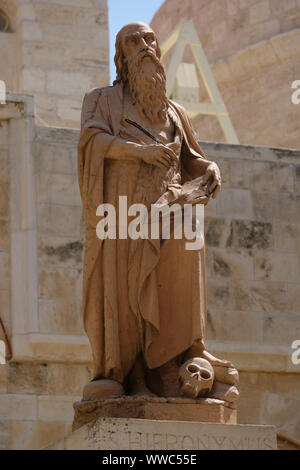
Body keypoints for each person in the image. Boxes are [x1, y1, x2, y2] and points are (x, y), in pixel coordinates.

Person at [78, 22, 231, 398]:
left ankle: (179, 359)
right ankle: (133, 377)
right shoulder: (102, 99)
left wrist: (209, 169)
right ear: (122, 56)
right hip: (124, 214)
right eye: (134, 41)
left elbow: (191, 157)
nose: (145, 46)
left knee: (178, 279)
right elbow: (92, 140)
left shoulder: (175, 111)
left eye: (150, 40)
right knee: (128, 290)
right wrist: (140, 153)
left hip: (174, 209)